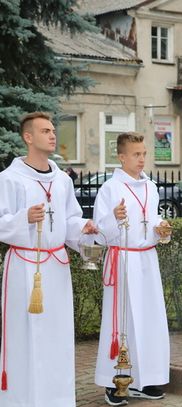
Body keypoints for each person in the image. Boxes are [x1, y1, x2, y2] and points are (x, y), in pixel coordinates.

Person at [0, 111, 98, 406]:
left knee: (58, 335)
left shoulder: (62, 180)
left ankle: (57, 399)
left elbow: (69, 220)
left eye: (53, 130)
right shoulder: (10, 179)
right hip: (25, 266)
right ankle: (23, 399)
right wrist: (24, 218)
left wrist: (84, 228)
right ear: (28, 137)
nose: (53, 135)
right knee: (25, 334)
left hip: (56, 268)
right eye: (45, 131)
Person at [93, 132, 171, 406]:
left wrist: (161, 229)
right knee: (121, 323)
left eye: (144, 154)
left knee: (149, 321)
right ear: (122, 156)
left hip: (147, 260)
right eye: (136, 154)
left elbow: (153, 218)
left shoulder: (151, 187)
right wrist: (113, 218)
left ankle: (145, 378)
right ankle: (115, 382)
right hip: (123, 260)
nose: (141, 159)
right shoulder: (110, 189)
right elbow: (99, 233)